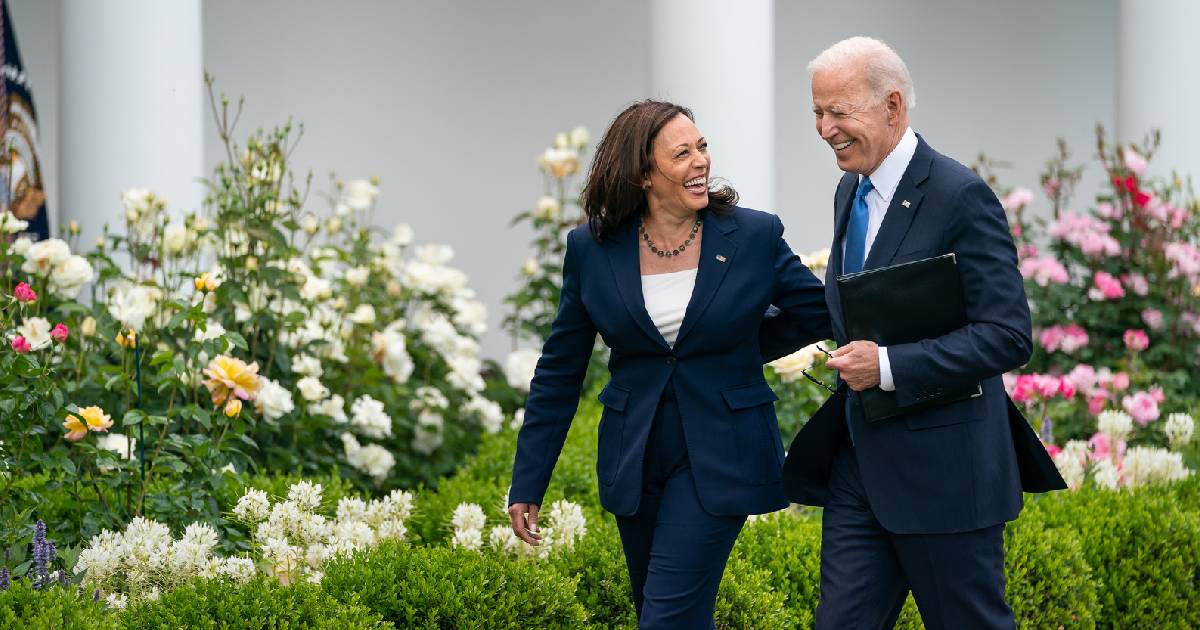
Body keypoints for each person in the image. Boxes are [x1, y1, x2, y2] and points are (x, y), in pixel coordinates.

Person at [507, 99, 830, 628]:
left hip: (722, 450)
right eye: (682, 153)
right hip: (633, 455)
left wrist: (742, 347)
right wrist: (528, 483)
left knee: (667, 618)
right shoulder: (592, 248)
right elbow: (560, 371)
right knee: (659, 609)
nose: (701, 161)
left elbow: (815, 311)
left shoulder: (752, 235)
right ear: (642, 174)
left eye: (702, 147)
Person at [779, 36, 1065, 629]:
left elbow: (1008, 334)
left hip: (946, 477)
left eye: (838, 112)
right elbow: (854, 305)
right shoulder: (848, 190)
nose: (823, 128)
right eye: (816, 112)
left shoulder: (961, 196)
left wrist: (886, 366)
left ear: (893, 107)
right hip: (859, 469)